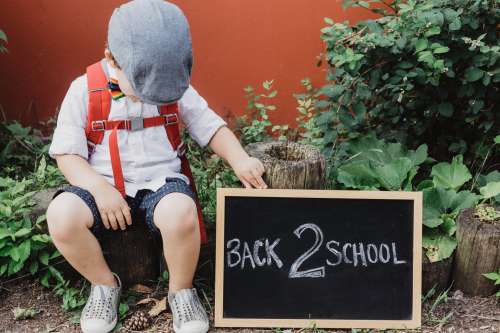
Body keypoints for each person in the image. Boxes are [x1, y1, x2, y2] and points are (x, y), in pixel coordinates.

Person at [46, 1, 267, 332]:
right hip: (100, 184)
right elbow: (67, 155)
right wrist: (99, 189)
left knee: (180, 213)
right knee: (62, 217)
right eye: (144, 89)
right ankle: (104, 284)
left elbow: (210, 126)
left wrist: (239, 158)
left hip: (159, 182)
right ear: (111, 60)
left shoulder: (175, 87)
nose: (153, 96)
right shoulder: (84, 90)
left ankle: (181, 290)